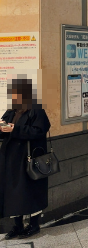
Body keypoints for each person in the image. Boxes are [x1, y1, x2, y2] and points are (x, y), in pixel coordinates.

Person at [1, 77, 51, 239]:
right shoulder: (12, 110)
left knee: (31, 192)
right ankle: (18, 226)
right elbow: (5, 130)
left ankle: (34, 225)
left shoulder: (36, 110)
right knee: (13, 193)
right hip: (11, 159)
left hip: (29, 159)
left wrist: (15, 129)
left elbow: (39, 131)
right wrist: (2, 128)